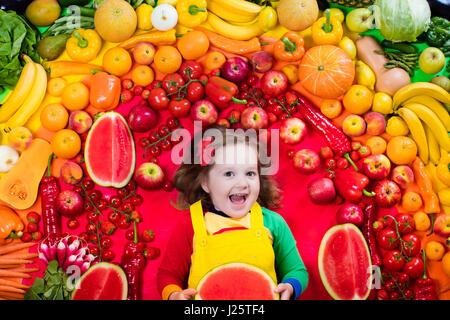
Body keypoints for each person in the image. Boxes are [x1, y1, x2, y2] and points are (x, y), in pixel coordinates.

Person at [156, 125, 308, 300]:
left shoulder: (274, 223)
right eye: (229, 173)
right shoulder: (190, 224)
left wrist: (291, 286)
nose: (242, 183)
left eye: (250, 173)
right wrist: (174, 295)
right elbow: (168, 274)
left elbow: (296, 270)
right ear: (205, 182)